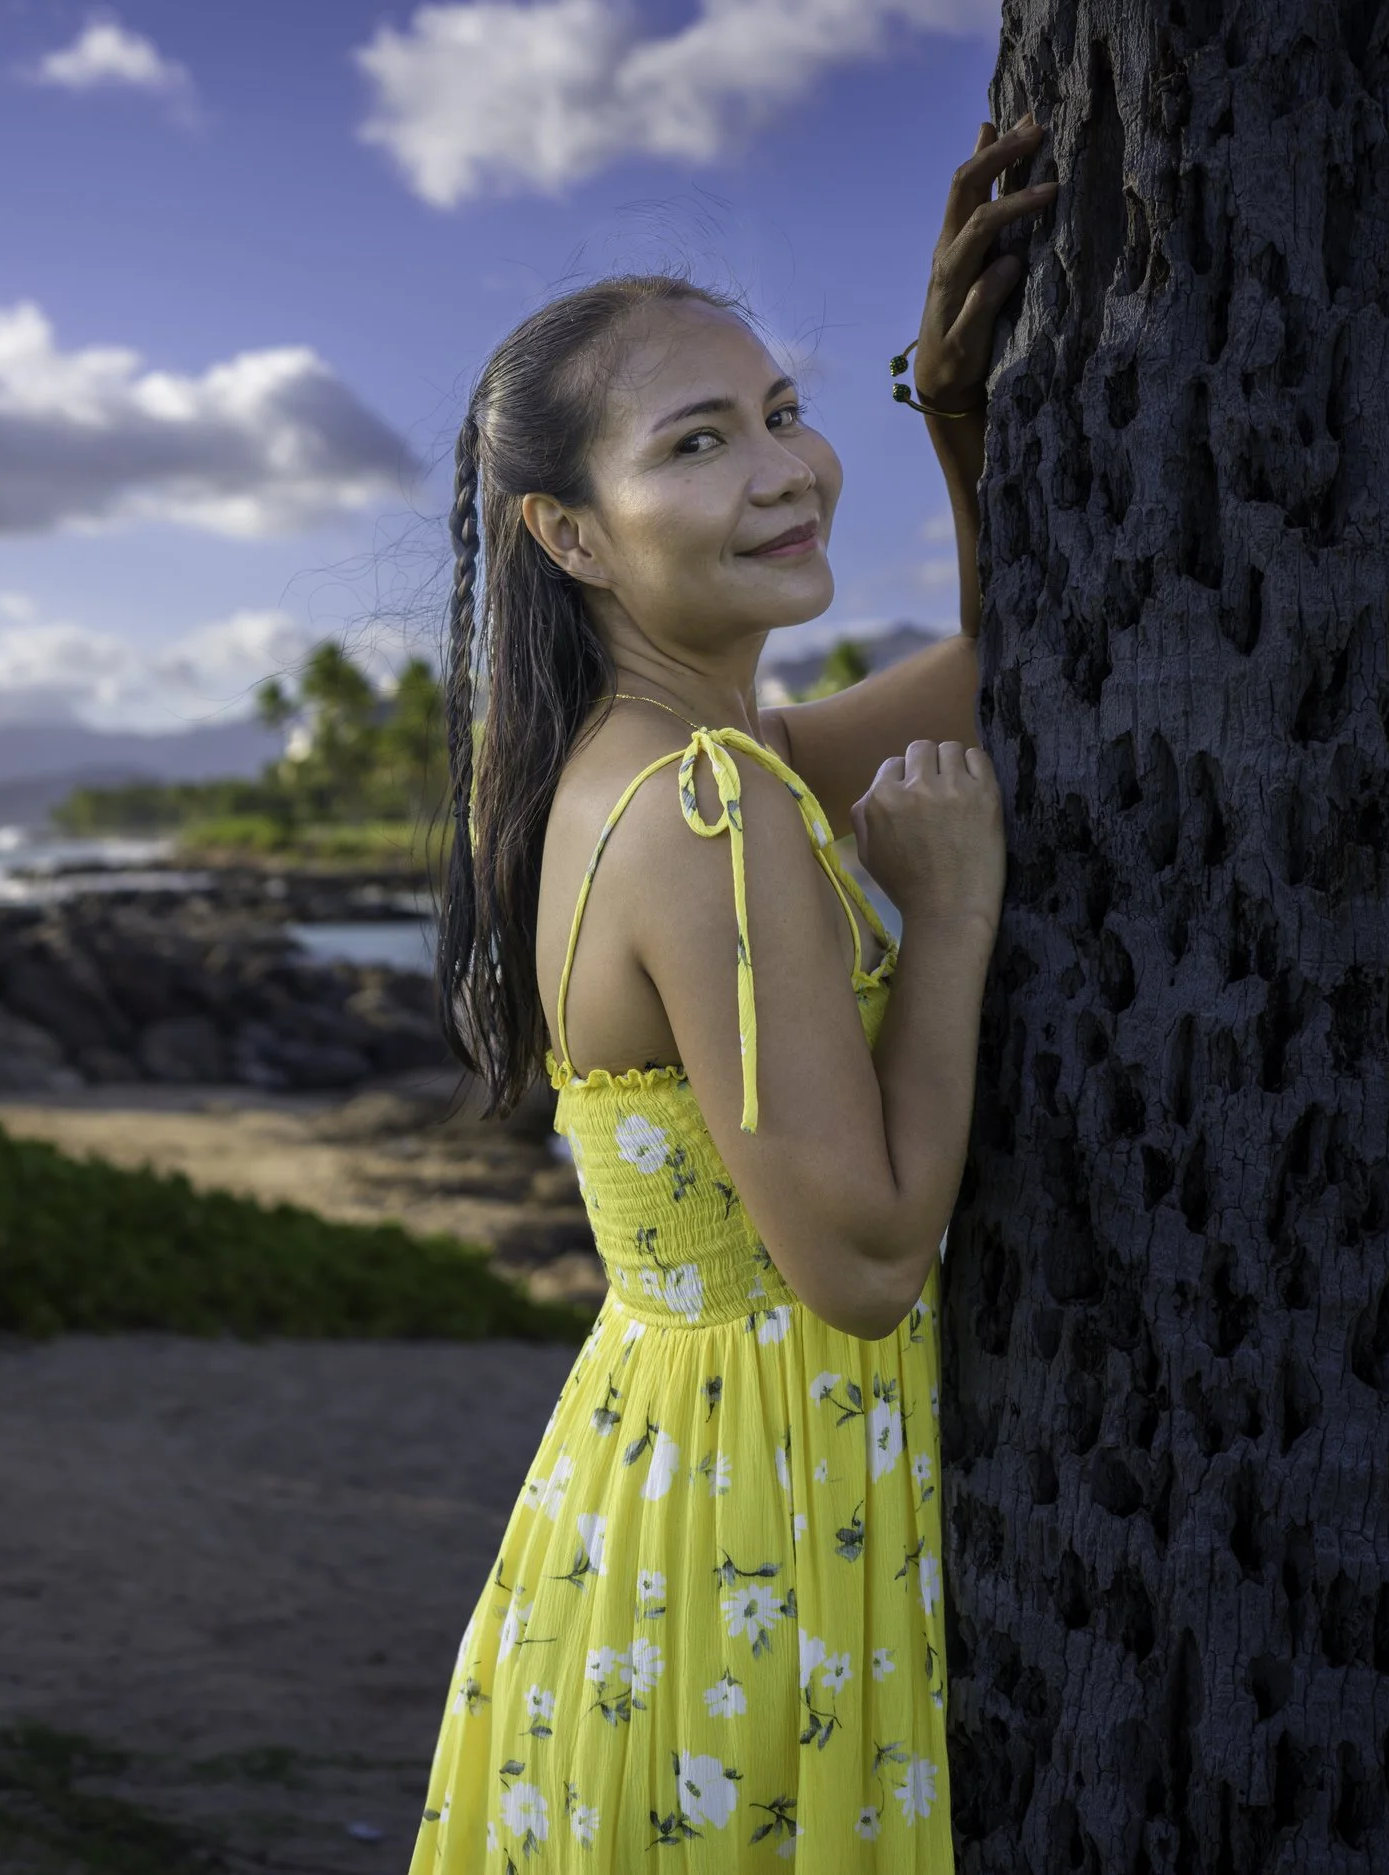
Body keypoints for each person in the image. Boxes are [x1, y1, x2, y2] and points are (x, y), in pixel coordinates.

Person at [410, 114, 1058, 1871]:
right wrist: (945, 926)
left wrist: (963, 422)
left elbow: (1018, 669)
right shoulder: (711, 810)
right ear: (573, 533)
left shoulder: (649, 765)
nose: (785, 469)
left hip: (660, 1512)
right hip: (768, 1549)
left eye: (785, 411)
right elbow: (857, 1259)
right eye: (699, 442)